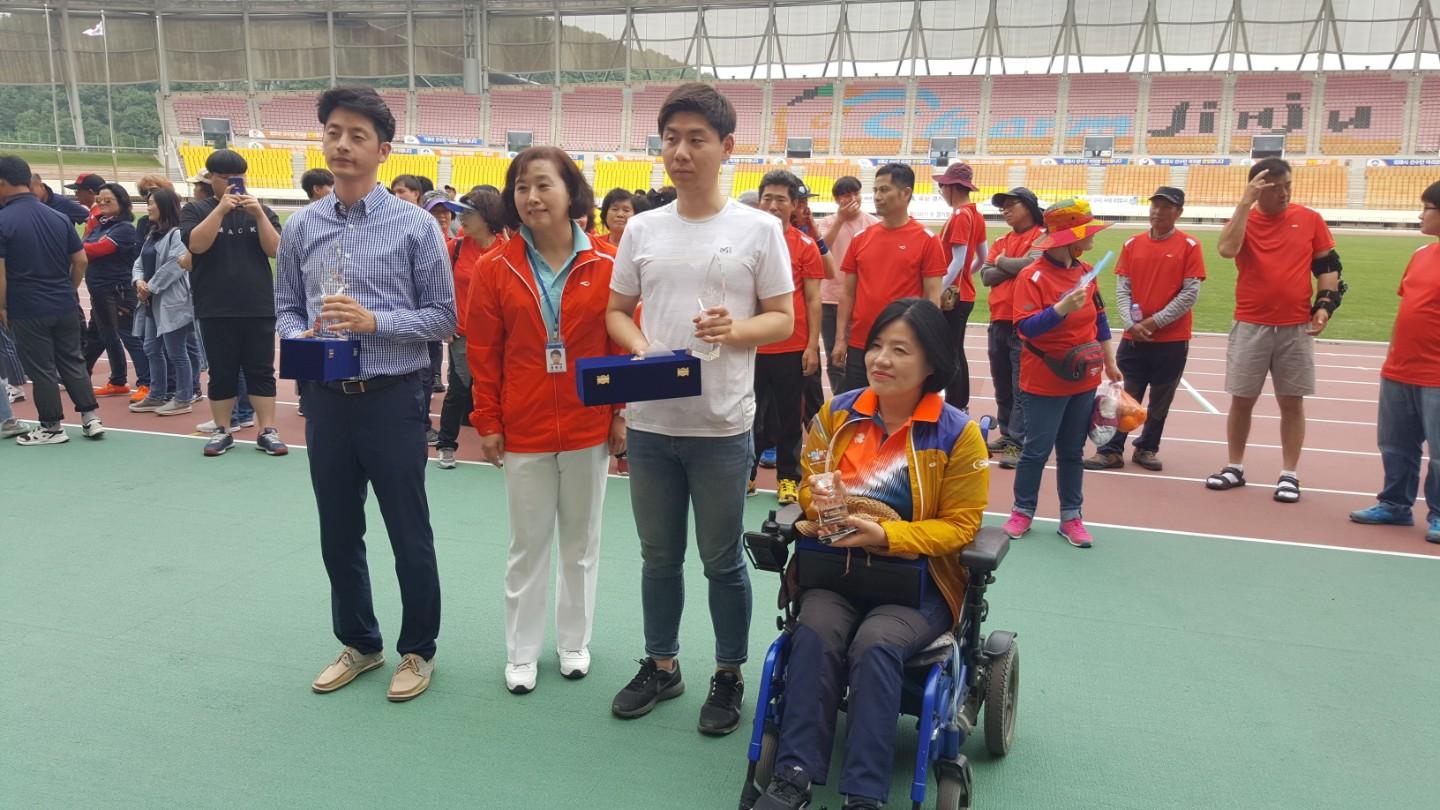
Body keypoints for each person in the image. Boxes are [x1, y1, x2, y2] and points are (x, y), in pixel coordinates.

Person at [605, 82, 794, 736]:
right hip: (652, 425)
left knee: (721, 560)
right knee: (658, 557)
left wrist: (734, 330)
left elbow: (782, 318)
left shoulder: (759, 228)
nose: (681, 152)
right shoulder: (643, 229)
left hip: (721, 426)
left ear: (726, 147)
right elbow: (616, 311)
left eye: (696, 139)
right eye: (671, 139)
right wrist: (642, 349)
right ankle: (662, 664)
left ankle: (728, 673)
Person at [750, 298, 988, 810]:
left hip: (915, 585)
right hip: (835, 571)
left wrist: (886, 535)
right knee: (814, 632)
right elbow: (809, 484)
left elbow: (961, 526)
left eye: (900, 350)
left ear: (932, 363)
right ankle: (793, 774)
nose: (881, 359)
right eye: (877, 345)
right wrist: (823, 503)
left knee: (876, 643)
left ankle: (864, 794)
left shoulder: (957, 434)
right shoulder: (836, 414)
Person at [276, 86, 455, 702]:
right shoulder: (301, 226)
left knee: (408, 530)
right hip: (326, 397)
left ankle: (418, 649)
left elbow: (443, 317)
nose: (342, 144)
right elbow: (284, 306)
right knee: (338, 528)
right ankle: (360, 642)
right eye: (333, 132)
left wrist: (376, 322)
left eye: (357, 135)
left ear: (383, 150)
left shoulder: (416, 227)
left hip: (392, 396)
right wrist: (297, 333)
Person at [467, 145, 622, 695]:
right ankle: (522, 651)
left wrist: (620, 413)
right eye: (521, 187)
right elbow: (484, 352)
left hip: (587, 425)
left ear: (570, 190)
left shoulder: (607, 262)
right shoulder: (495, 267)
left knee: (581, 543)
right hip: (524, 427)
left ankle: (574, 642)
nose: (531, 197)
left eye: (542, 185)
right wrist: (488, 420)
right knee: (527, 545)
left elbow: (619, 342)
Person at [1207, 158, 1340, 503]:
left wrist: (1324, 305)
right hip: (1250, 322)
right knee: (1242, 399)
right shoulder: (1243, 219)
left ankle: (1289, 474)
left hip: (1295, 326)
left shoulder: (1309, 219)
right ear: (1258, 189)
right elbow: (1227, 250)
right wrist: (1244, 203)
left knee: (1292, 402)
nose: (1284, 194)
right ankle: (1234, 466)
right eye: (1277, 188)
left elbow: (1328, 266)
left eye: (1288, 186)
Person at [1003, 199, 1121, 549]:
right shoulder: (1031, 276)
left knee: (1072, 451)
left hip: (1084, 378)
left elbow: (1100, 319)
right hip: (1044, 379)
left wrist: (1110, 360)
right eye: (1086, 231)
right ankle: (1022, 511)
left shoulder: (1088, 271)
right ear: (1070, 239)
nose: (1092, 237)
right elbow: (1025, 328)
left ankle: (1072, 517)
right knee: (1035, 451)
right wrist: (1059, 309)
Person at [1085, 187, 1205, 472]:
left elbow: (1190, 293)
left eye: (1166, 207)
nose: (1158, 212)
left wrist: (1154, 322)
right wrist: (1131, 323)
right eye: (1155, 206)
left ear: (1179, 212)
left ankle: (1147, 448)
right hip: (1134, 338)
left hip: (1172, 340)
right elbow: (1123, 287)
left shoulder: (1190, 245)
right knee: (1123, 395)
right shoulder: (1132, 244)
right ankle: (1110, 450)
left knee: (1161, 398)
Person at [181, 148, 287, 457]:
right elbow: (197, 245)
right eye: (225, 178)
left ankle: (267, 430)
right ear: (211, 179)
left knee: (261, 370)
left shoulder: (261, 211)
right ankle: (223, 430)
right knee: (222, 371)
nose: (232, 184)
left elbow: (276, 250)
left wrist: (258, 214)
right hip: (215, 305)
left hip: (258, 304)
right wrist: (220, 210)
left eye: (238, 178)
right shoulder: (196, 210)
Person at [1349, 182, 1440, 544]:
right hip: (1400, 368)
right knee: (1395, 444)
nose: (1420, 215)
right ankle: (1395, 504)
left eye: (1427, 208)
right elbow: (1409, 307)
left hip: (1436, 374)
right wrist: (1392, 355)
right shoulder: (1421, 254)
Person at [0, 154, 105, 445]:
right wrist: (69, 289)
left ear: (3, 183)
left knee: (41, 368)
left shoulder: (3, 220)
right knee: (72, 360)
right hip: (64, 301)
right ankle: (90, 418)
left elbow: (1, 272)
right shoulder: (58, 217)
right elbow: (80, 260)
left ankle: (51, 427)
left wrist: (2, 306)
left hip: (27, 306)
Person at [832, 163, 946, 395]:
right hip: (861, 343)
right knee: (857, 408)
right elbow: (848, 294)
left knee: (898, 408)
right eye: (875, 190)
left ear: (905, 193)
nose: (877, 196)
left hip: (902, 346)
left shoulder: (927, 240)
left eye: (884, 190)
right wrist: (840, 339)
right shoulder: (861, 239)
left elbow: (933, 299)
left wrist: (927, 343)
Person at [750, 169, 825, 506]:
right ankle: (747, 474)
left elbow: (813, 299)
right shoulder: (746, 241)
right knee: (748, 414)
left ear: (794, 205)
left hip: (791, 346)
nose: (773, 205)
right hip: (751, 344)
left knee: (788, 416)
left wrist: (812, 346)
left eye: (781, 199)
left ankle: (787, 479)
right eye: (767, 198)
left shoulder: (805, 246)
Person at [434, 186, 504, 469]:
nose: (461, 218)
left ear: (487, 216)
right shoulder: (456, 248)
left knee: (499, 391)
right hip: (463, 334)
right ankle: (446, 444)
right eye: (460, 213)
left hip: (499, 338)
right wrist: (447, 324)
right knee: (459, 390)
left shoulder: (507, 250)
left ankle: (500, 442)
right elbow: (439, 288)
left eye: (468, 213)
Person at [978, 187, 1046, 469]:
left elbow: (1031, 264)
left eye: (1011, 205)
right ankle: (1007, 433)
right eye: (1002, 206)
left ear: (1029, 207)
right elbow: (985, 276)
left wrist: (1001, 261)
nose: (1005, 210)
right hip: (999, 319)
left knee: (1021, 385)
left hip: (1024, 322)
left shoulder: (1042, 236)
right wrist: (1010, 266)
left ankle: (1018, 442)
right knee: (1002, 381)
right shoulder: (1001, 239)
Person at [128, 187, 198, 417]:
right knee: (151, 348)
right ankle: (156, 394)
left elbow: (175, 265)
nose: (148, 207)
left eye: (151, 203)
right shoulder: (153, 233)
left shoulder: (176, 234)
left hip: (170, 301)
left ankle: (183, 398)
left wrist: (150, 287)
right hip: (151, 302)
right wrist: (139, 281)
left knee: (176, 351)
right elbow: (139, 262)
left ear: (164, 205)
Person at [81, 183, 149, 402]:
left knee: (129, 335)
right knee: (106, 336)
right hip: (99, 290)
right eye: (99, 200)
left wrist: (73, 245)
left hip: (117, 291)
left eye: (108, 200)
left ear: (122, 202)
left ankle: (147, 383)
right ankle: (118, 381)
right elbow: (87, 246)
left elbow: (96, 249)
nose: (102, 203)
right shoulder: (101, 226)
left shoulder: (124, 228)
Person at [817, 176, 880, 397]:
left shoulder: (872, 223)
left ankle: (865, 400)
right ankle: (840, 403)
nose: (853, 198)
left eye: (856, 193)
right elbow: (821, 249)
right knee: (835, 357)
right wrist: (840, 220)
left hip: (861, 300)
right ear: (836, 199)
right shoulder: (827, 222)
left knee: (863, 355)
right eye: (846, 195)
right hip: (830, 299)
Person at [934, 163, 987, 412]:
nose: (941, 191)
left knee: (950, 352)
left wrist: (937, 289)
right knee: (956, 350)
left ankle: (957, 404)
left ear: (952, 188)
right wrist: (967, 275)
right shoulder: (976, 215)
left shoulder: (960, 216)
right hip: (964, 293)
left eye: (942, 186)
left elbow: (957, 260)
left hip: (953, 297)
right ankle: (959, 403)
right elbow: (982, 257)